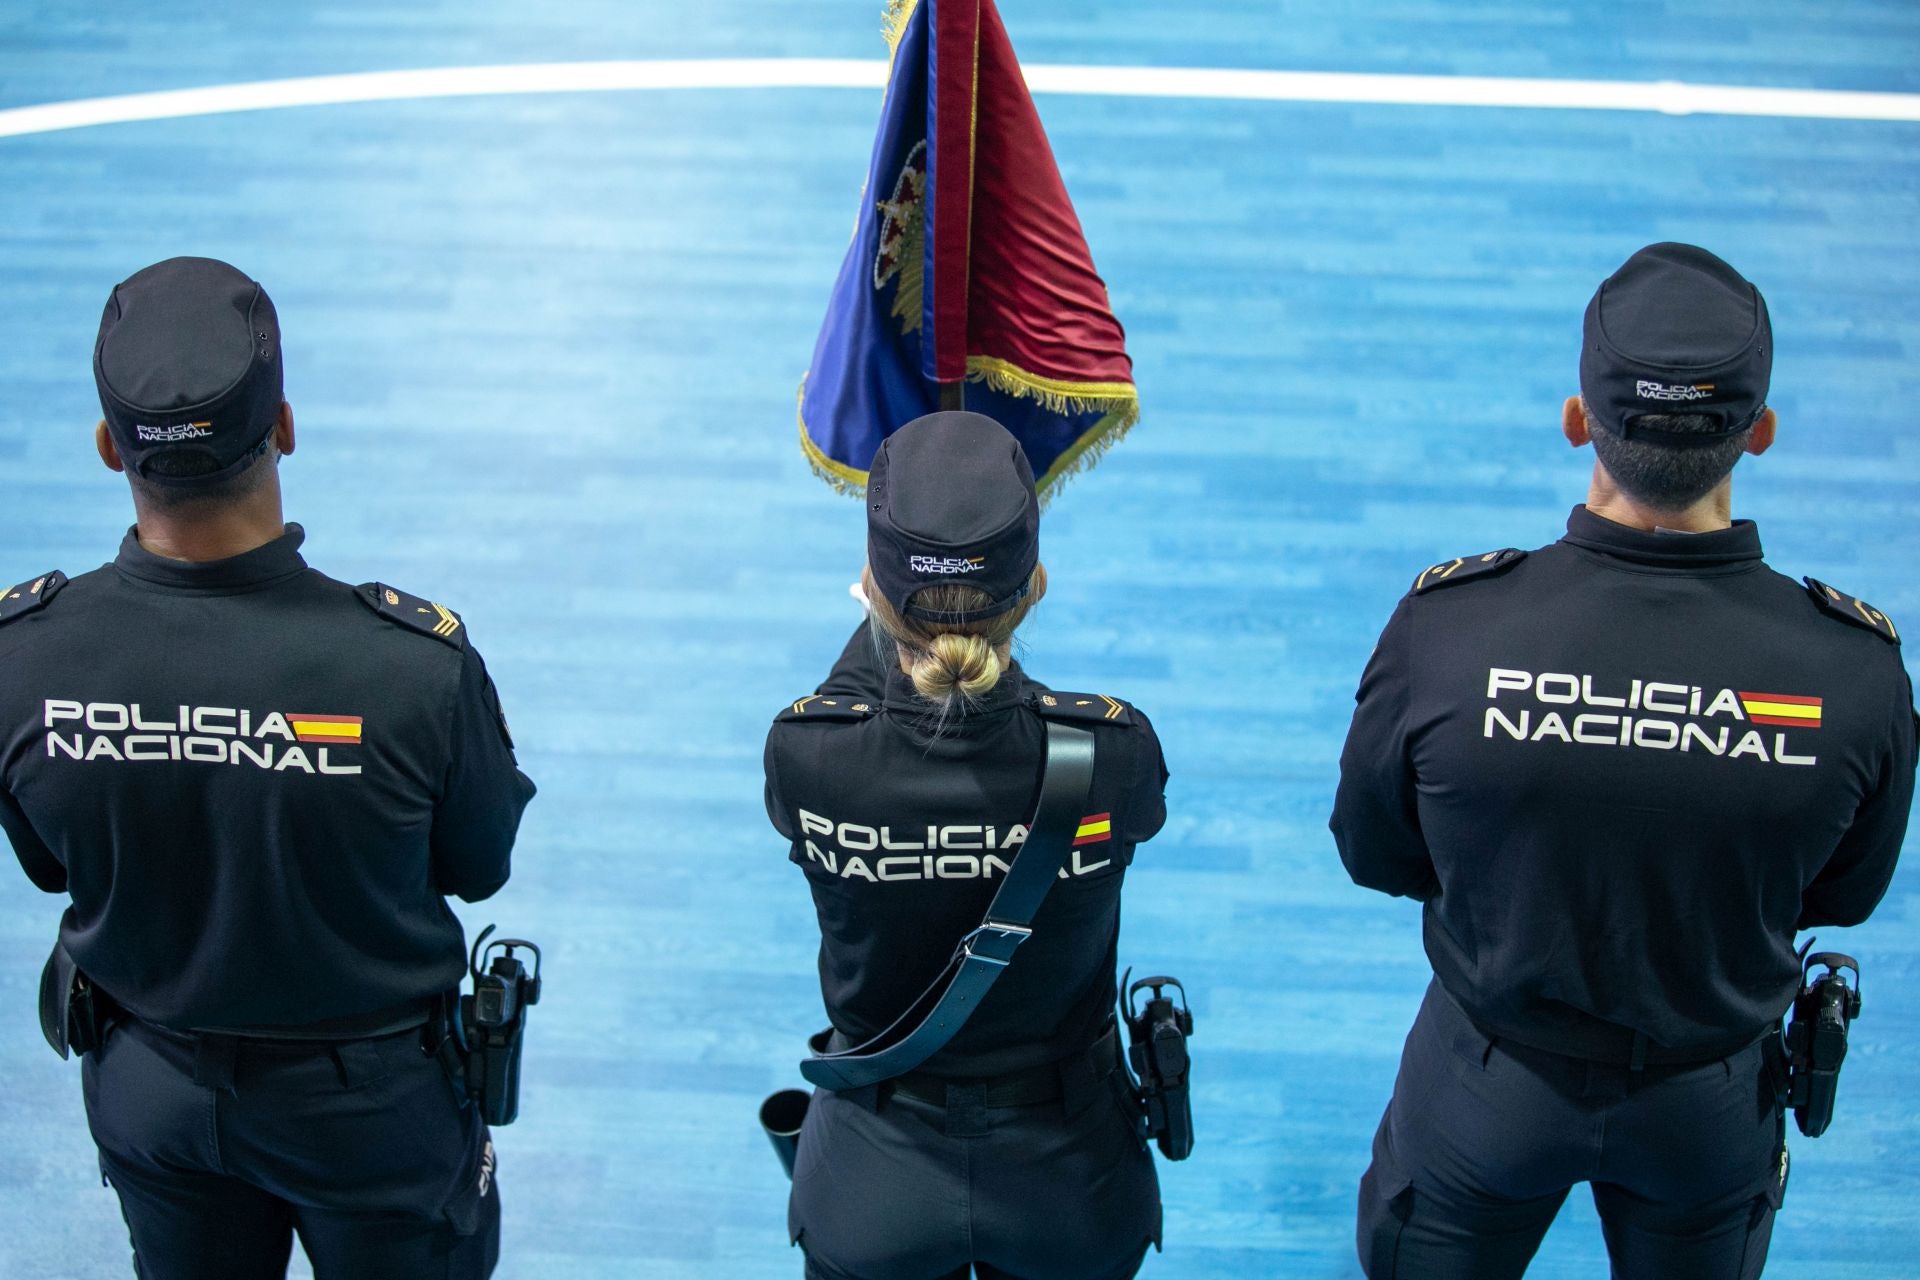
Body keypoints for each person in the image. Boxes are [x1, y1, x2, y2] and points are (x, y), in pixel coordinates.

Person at [1330, 241, 1916, 1279]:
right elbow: (1847, 889)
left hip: (1484, 1080)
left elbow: (1376, 851)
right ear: (1761, 433)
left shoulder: (1450, 628)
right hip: (1710, 1096)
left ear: (1577, 421)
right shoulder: (1857, 670)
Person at [0, 256, 535, 1279]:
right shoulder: (409, 666)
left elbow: (46, 863)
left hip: (151, 1086)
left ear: (110, 446)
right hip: (372, 1108)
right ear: (283, 424)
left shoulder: (23, 658)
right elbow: (480, 864)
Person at [763, 410, 1169, 1280]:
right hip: (1070, 1177)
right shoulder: (1114, 753)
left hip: (876, 1175)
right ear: (1036, 586)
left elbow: (870, 707)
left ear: (870, 588)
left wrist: (893, 604)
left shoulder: (806, 754)